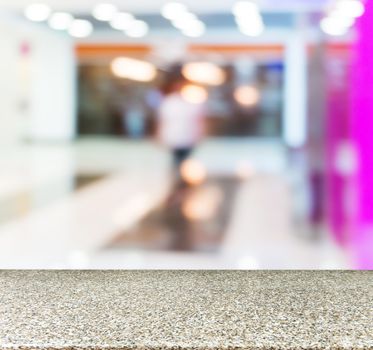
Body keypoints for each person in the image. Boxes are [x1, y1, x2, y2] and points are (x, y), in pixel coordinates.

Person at [157, 80, 206, 175]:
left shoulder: (193, 101)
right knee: (178, 160)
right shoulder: (169, 102)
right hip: (175, 136)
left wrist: (200, 134)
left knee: (185, 161)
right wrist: (159, 135)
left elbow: (199, 120)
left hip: (188, 137)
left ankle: (181, 180)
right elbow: (163, 120)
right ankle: (177, 179)